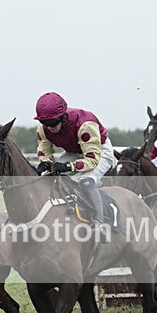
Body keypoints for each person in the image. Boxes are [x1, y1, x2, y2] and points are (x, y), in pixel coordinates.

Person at [34, 92, 116, 234]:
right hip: (73, 152)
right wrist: (45, 162)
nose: (49, 127)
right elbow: (45, 151)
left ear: (63, 117)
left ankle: (99, 222)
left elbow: (91, 159)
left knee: (86, 180)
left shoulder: (85, 124)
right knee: (49, 176)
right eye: (45, 123)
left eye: (53, 123)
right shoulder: (44, 129)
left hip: (99, 151)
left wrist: (67, 167)